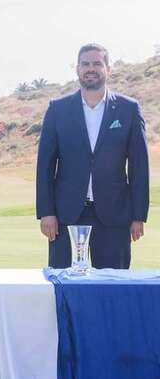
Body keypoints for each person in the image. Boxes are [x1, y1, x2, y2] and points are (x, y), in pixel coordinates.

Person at [36, 43, 149, 268]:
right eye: (85, 64)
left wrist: (138, 215)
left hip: (114, 216)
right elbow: (45, 166)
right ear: (77, 69)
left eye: (97, 64)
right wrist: (46, 212)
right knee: (64, 283)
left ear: (108, 69)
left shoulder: (128, 109)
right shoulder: (58, 109)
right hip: (66, 215)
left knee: (112, 284)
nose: (91, 69)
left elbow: (139, 167)